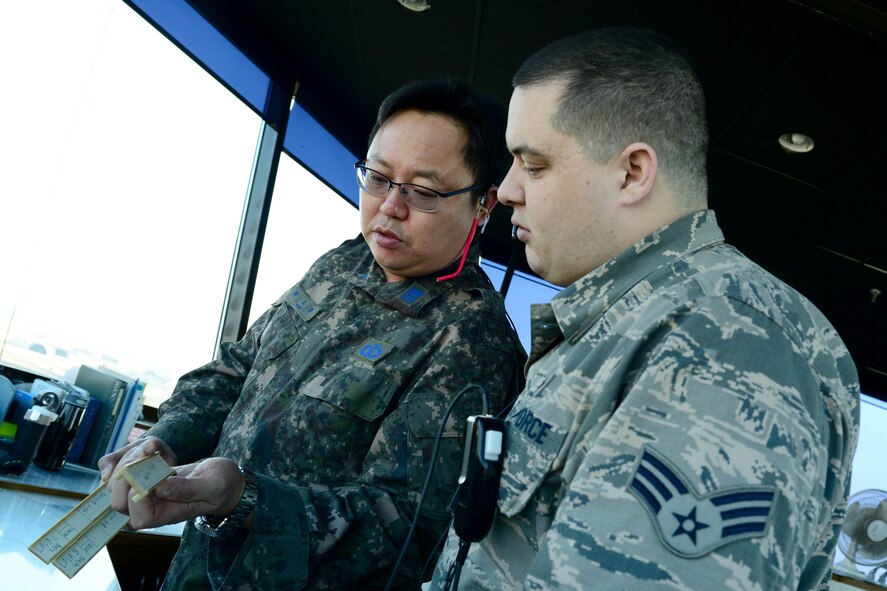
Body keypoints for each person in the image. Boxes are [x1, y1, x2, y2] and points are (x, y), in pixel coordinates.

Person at [430, 27, 860, 590]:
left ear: (632, 173)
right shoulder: (641, 321)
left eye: (533, 165)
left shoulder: (723, 339)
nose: (507, 190)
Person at [100, 77, 525, 589]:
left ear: (483, 204)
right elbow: (236, 371)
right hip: (196, 570)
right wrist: (167, 441)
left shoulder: (473, 339)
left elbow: (409, 532)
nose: (390, 206)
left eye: (423, 192)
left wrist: (244, 498)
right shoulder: (342, 264)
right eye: (378, 178)